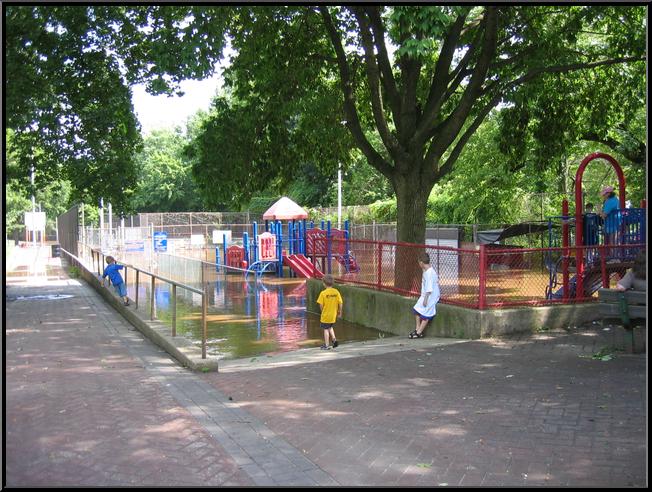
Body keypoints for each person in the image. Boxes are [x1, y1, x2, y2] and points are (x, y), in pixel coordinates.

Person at [409, 252, 440, 339]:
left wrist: (426, 300)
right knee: (416, 309)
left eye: (419, 263)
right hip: (424, 295)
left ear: (421, 263)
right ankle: (417, 328)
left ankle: (419, 332)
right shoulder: (426, 270)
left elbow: (429, 289)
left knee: (426, 313)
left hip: (430, 296)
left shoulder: (430, 273)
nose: (419, 264)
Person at [316, 274, 342, 350]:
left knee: (325, 329)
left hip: (326, 315)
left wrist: (322, 311)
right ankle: (334, 340)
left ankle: (326, 345)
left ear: (324, 283)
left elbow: (320, 305)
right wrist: (339, 312)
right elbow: (340, 303)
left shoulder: (323, 293)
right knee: (330, 327)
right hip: (333, 314)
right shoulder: (336, 292)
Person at [599, 185, 621, 257]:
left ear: (608, 193)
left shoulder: (610, 201)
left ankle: (614, 258)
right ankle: (615, 257)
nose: (603, 196)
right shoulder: (615, 199)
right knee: (614, 241)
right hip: (615, 223)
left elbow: (604, 215)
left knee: (613, 242)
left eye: (604, 194)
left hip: (612, 224)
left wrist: (599, 210)